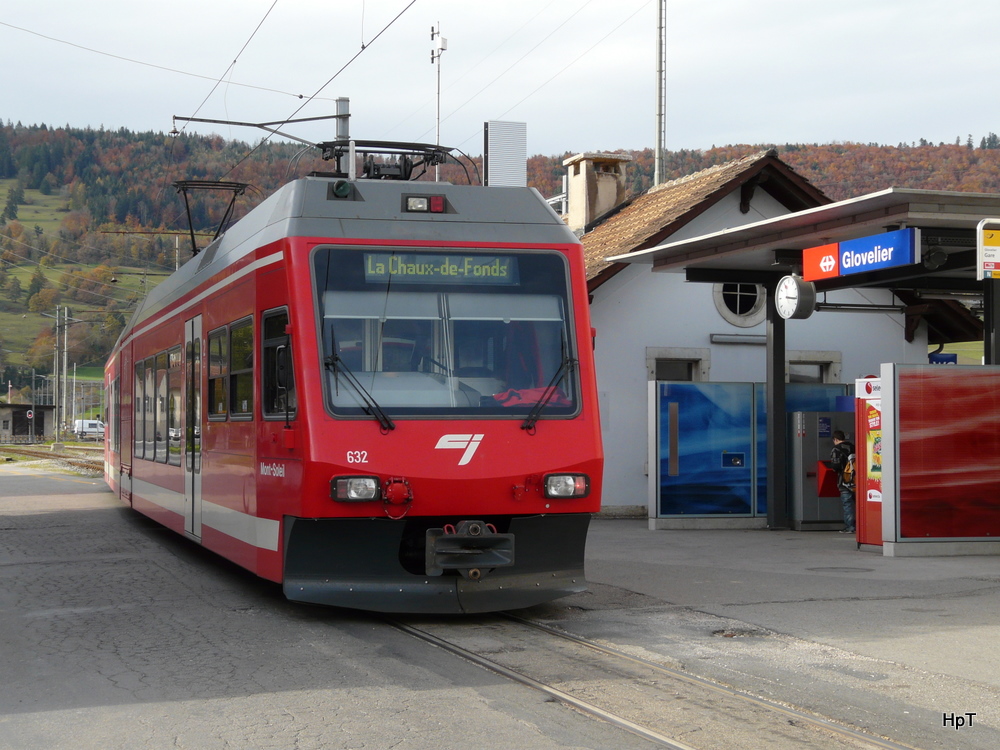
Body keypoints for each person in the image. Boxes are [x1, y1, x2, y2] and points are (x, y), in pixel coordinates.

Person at [831, 430, 856, 533]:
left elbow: (835, 466)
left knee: (847, 504)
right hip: (856, 480)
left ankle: (850, 527)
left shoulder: (836, 449)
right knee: (859, 504)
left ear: (835, 439)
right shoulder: (853, 447)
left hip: (844, 481)